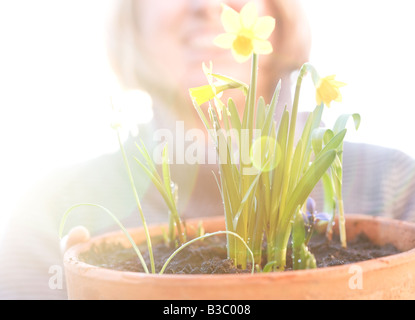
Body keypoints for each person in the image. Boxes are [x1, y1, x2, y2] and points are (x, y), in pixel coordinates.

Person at [1, 0, 414, 300]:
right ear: (132, 18)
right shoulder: (47, 209)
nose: (208, 4)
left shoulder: (394, 184)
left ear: (279, 13)